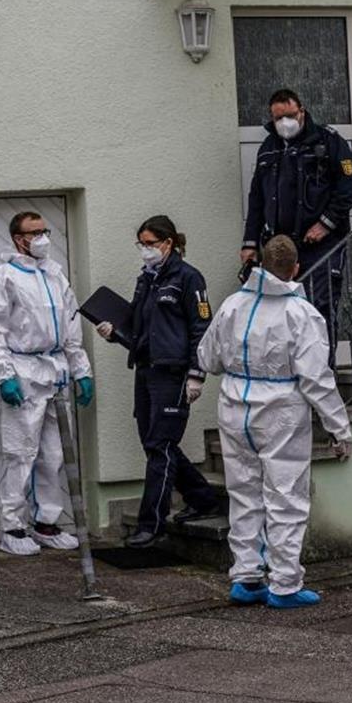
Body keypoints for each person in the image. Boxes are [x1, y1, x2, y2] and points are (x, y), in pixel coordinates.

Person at [198, 235, 352, 609]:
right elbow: (317, 379)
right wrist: (339, 428)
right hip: (281, 407)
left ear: (262, 265)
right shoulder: (302, 314)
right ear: (295, 269)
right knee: (285, 496)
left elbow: (208, 357)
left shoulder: (233, 305)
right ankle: (284, 583)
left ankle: (247, 575)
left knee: (244, 493)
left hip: (235, 404)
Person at [96, 216, 221, 548]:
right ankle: (203, 498)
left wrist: (197, 374)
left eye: (150, 243)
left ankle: (151, 524)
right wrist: (116, 334)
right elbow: (142, 326)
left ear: (168, 243)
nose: (145, 250)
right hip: (147, 370)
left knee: (160, 447)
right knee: (154, 443)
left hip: (174, 373)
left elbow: (201, 329)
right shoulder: (147, 280)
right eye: (141, 244)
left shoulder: (188, 278)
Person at [0, 211, 94, 556]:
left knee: (54, 454)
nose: (42, 237)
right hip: (23, 369)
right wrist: (4, 375)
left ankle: (47, 523)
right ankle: (13, 527)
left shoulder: (55, 276)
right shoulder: (3, 278)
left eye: (45, 230)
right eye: (34, 232)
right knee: (19, 452)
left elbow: (71, 329)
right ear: (18, 238)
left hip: (54, 370)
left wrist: (81, 370)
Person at [240, 88, 352, 354]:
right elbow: (257, 199)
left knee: (317, 309)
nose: (284, 123)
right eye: (277, 118)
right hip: (280, 248)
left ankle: (321, 377)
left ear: (302, 111)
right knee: (278, 312)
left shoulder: (328, 142)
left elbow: (349, 187)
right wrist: (249, 242)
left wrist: (326, 223)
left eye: (290, 115)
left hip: (319, 246)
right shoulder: (269, 148)